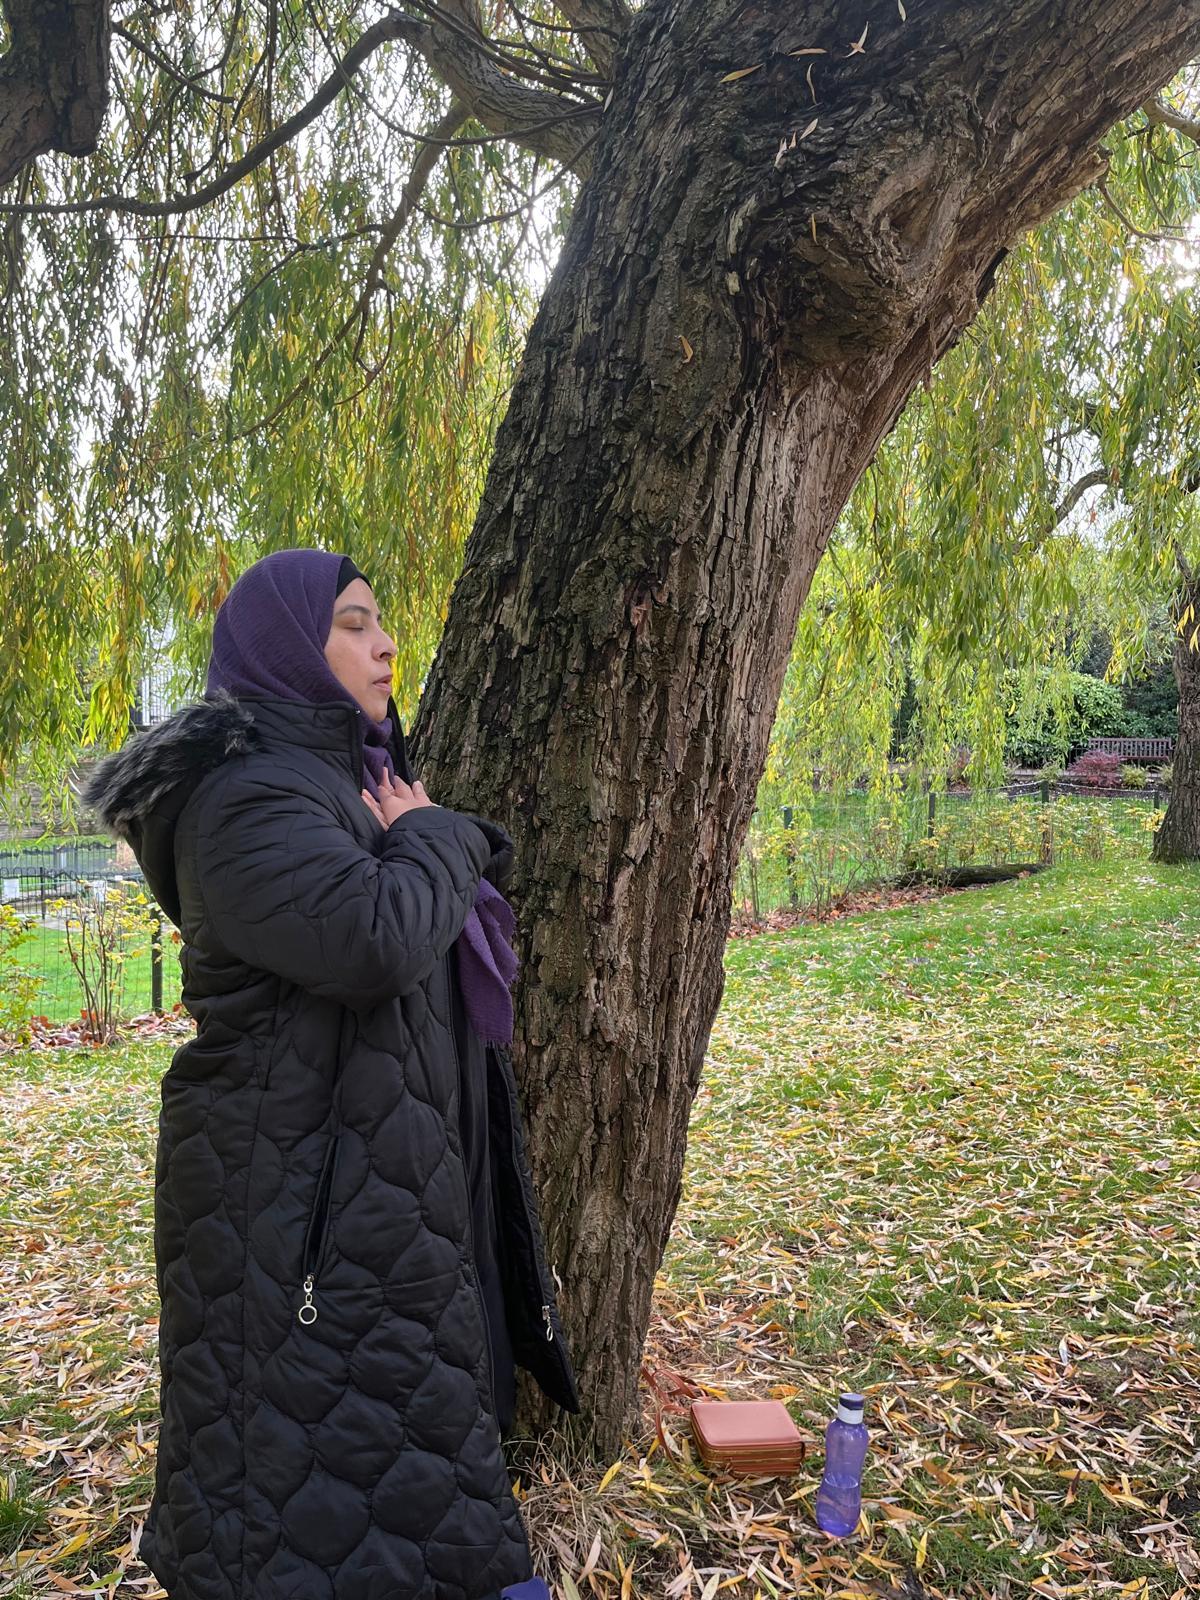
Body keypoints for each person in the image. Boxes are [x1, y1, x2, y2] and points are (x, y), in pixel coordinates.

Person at [80, 548, 580, 1600]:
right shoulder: (243, 801)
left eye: (380, 621)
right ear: (285, 648)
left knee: (383, 1481)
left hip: (369, 1203)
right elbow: (372, 940)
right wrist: (438, 835)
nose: (386, 644)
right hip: (297, 1222)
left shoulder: (345, 783)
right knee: (303, 1491)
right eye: (354, 623)